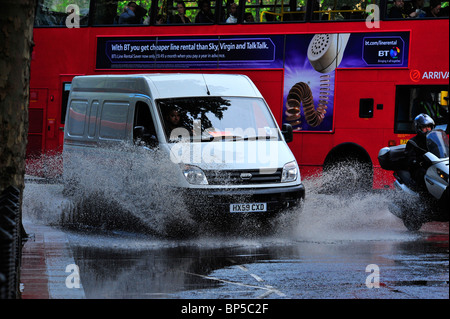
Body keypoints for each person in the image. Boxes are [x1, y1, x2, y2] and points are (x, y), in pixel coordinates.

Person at [405, 113, 435, 192]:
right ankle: (423, 198)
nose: (428, 129)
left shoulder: (433, 141)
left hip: (432, 167)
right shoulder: (412, 142)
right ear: (418, 128)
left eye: (429, 126)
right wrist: (421, 160)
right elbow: (410, 160)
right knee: (423, 174)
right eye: (424, 127)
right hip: (419, 169)